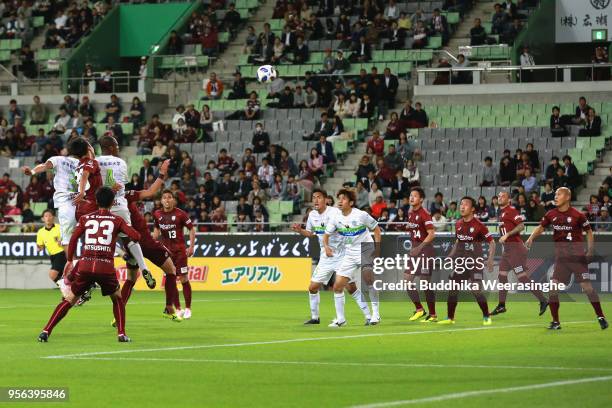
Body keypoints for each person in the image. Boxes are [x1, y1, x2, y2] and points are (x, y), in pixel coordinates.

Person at [38, 187, 141, 343]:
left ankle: (45, 331)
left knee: (69, 300)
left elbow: (73, 239)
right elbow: (136, 236)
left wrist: (70, 261)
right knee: (117, 299)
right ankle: (121, 334)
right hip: (105, 266)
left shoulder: (86, 218)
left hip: (85, 265)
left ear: (97, 201)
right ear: (113, 203)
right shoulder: (117, 220)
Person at [526, 187, 608, 330]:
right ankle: (556, 322)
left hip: (577, 258)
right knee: (552, 289)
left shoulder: (578, 215)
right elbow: (540, 227)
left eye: (559, 194)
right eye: (555, 194)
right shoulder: (551, 214)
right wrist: (531, 237)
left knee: (587, 288)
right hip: (561, 260)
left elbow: (589, 232)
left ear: (567, 197)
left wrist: (590, 250)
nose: (556, 196)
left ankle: (601, 316)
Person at [292, 189, 373, 325]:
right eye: (313, 197)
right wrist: (300, 230)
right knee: (312, 287)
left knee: (350, 287)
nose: (315, 200)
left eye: (318, 197)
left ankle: (368, 316)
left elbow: (347, 226)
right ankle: (315, 317)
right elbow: (311, 233)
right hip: (325, 256)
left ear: (326, 200)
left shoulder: (335, 212)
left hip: (342, 254)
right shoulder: (312, 215)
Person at [97, 136, 154, 289]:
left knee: (99, 239)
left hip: (103, 206)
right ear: (109, 147)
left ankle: (90, 285)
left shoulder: (95, 162)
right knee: (130, 237)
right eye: (116, 145)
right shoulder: (121, 162)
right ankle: (144, 268)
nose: (118, 148)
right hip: (120, 205)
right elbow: (121, 184)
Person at [323, 189, 382, 326]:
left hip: (365, 248)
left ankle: (376, 314)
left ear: (351, 202)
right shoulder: (336, 218)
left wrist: (378, 248)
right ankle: (341, 319)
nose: (340, 201)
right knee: (338, 286)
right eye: (339, 198)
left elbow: (376, 228)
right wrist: (326, 246)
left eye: (343, 199)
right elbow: (326, 235)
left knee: (369, 280)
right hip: (349, 252)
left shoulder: (361, 215)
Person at [438, 196, 495, 326]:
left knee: (476, 290)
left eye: (466, 205)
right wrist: (450, 256)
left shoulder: (479, 226)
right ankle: (450, 318)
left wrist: (490, 259)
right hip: (461, 263)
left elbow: (492, 242)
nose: (462, 207)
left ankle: (486, 316)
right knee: (453, 289)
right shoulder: (458, 224)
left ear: (473, 209)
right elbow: (458, 242)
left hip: (475, 263)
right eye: (461, 204)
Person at [491, 191, 548, 316]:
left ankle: (543, 300)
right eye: (499, 196)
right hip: (507, 251)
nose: (500, 197)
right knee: (502, 275)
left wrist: (507, 234)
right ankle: (501, 305)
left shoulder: (511, 211)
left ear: (509, 199)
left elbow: (521, 226)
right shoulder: (501, 213)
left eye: (503, 196)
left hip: (515, 249)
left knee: (522, 278)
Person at [153, 190, 196, 320]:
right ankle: (178, 309)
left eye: (169, 197)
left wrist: (192, 246)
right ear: (161, 201)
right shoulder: (157, 214)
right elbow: (156, 231)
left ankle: (188, 308)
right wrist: (152, 243)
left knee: (183, 279)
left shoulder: (180, 214)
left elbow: (192, 229)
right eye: (164, 198)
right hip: (167, 253)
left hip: (180, 252)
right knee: (171, 281)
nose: (167, 200)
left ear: (173, 200)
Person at [22, 153, 78, 248]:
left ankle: (70, 258)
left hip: (68, 202)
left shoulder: (60, 160)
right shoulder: (82, 163)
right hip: (78, 201)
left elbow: (44, 166)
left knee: (67, 239)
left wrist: (32, 171)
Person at [404, 187, 437, 322]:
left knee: (424, 284)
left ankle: (433, 315)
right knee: (406, 281)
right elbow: (416, 230)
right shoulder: (411, 214)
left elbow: (432, 234)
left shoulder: (424, 214)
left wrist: (420, 247)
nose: (412, 198)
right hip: (415, 253)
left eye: (415, 196)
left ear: (421, 199)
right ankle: (419, 309)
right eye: (411, 195)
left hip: (426, 252)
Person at [36, 209, 66, 285]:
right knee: (63, 277)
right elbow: (41, 246)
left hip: (62, 253)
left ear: (53, 217)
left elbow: (68, 239)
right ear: (42, 219)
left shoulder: (60, 228)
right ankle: (71, 291)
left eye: (50, 215)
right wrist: (39, 248)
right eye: (46, 216)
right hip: (52, 256)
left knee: (52, 274)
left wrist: (62, 242)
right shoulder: (40, 232)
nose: (48, 218)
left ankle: (68, 290)